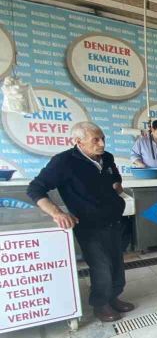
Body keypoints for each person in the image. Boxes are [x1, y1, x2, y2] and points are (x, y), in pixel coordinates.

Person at [27, 122, 135, 323]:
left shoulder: (107, 157)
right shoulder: (64, 162)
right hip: (89, 225)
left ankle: (114, 296)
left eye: (103, 138)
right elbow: (35, 189)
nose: (102, 143)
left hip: (113, 220)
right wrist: (57, 213)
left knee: (116, 262)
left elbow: (115, 178)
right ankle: (101, 304)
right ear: (78, 141)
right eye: (96, 139)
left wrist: (117, 189)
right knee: (100, 265)